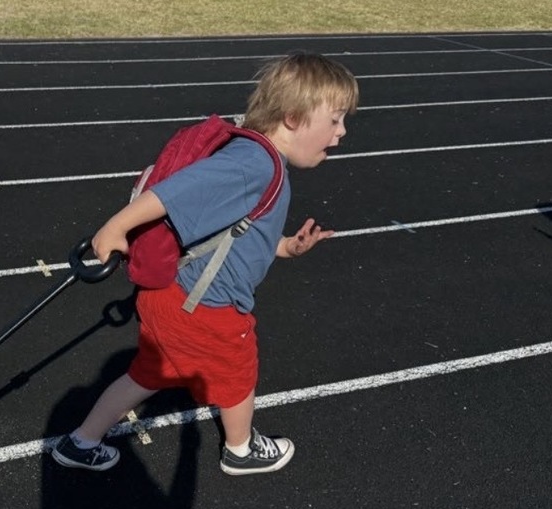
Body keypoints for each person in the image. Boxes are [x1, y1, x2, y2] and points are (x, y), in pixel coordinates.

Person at [52, 52, 359, 475]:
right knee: (238, 370)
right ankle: (241, 449)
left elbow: (236, 235)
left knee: (147, 373)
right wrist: (115, 228)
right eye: (336, 120)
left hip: (170, 297)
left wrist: (287, 247)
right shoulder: (255, 163)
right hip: (204, 306)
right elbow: (176, 193)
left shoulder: (256, 159)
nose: (342, 133)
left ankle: (81, 442)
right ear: (292, 117)